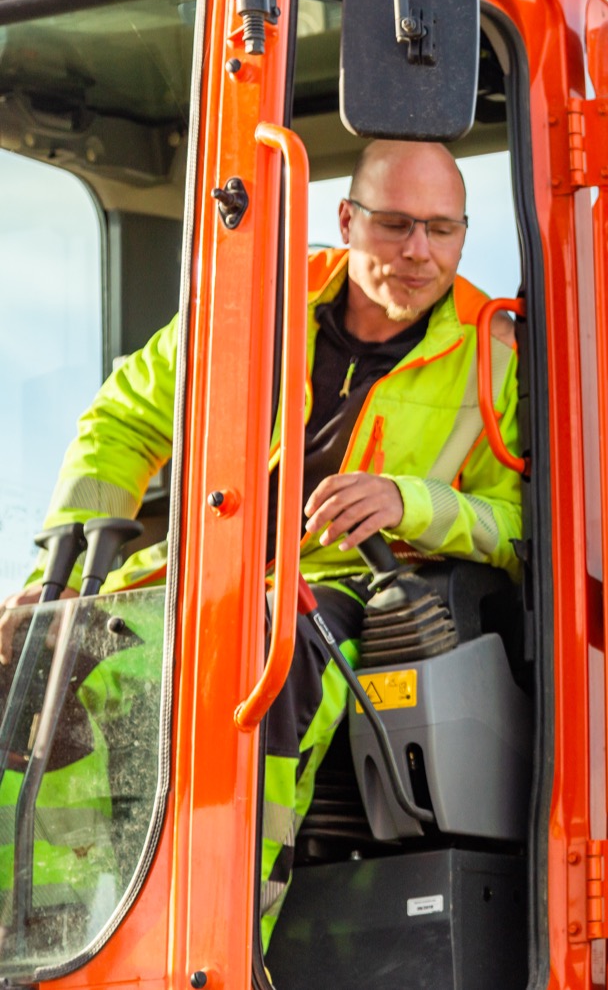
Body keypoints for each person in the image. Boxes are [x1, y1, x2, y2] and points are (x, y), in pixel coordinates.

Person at [0, 140, 522, 947]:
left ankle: (229, 937)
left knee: (268, 656)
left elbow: (521, 528)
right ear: (346, 220)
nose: (420, 251)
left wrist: (410, 502)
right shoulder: (253, 304)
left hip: (348, 589)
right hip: (210, 571)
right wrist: (61, 575)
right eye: (394, 225)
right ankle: (42, 934)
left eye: (442, 230)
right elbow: (124, 421)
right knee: (37, 649)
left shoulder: (495, 356)